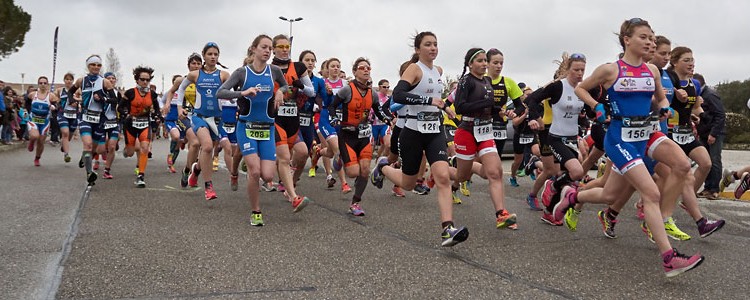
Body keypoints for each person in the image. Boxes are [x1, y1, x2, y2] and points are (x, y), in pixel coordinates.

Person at [555, 18, 703, 277]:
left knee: (681, 166)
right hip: (620, 139)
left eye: (652, 37)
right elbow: (581, 89)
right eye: (644, 37)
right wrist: (596, 105)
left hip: (646, 133)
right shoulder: (610, 70)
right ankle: (669, 258)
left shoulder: (652, 71)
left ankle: (660, 217)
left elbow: (659, 98)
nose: (650, 42)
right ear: (627, 39)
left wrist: (664, 107)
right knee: (636, 193)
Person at [371, 32, 469, 247]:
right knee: (407, 183)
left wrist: (446, 107)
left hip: (434, 131)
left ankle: (447, 228)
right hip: (413, 132)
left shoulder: (439, 71)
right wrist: (430, 100)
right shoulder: (414, 69)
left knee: (442, 177)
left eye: (435, 44)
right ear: (417, 49)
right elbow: (398, 95)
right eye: (428, 45)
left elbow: (436, 100)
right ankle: (383, 168)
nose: (433, 48)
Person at [216, 34, 292, 225]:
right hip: (246, 127)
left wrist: (281, 92)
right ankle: (256, 211)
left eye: (270, 48)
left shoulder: (274, 70)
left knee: (268, 176)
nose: (268, 51)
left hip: (267, 129)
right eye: (264, 47)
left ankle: (245, 167)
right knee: (256, 172)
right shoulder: (242, 73)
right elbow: (221, 92)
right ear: (254, 49)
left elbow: (285, 85)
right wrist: (242, 92)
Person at [452, 48, 517, 229]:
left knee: (495, 173)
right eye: (480, 61)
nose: (484, 64)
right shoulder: (466, 80)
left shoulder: (488, 80)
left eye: (484, 61)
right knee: (462, 175)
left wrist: (501, 110)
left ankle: (501, 214)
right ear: (470, 64)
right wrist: (486, 103)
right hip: (467, 130)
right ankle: (446, 170)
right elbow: (460, 107)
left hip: (485, 131)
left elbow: (490, 106)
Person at [328, 57, 391, 216]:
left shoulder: (373, 93)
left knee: (364, 171)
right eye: (362, 68)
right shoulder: (347, 89)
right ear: (355, 72)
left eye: (368, 68)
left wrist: (388, 119)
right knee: (353, 173)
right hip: (347, 135)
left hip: (364, 135)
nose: (366, 70)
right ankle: (340, 157)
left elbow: (378, 111)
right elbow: (332, 106)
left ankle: (355, 203)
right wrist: (334, 118)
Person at [174, 43, 231, 200]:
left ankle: (195, 171)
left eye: (215, 54)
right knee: (206, 147)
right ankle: (208, 186)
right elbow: (181, 88)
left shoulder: (224, 75)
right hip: (199, 117)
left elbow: (236, 89)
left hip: (217, 119)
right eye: (210, 54)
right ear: (204, 56)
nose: (213, 57)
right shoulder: (195, 75)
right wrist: (179, 108)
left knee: (209, 152)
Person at [66, 54, 116, 185]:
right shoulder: (81, 81)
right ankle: (89, 174)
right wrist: (71, 100)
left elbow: (115, 100)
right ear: (88, 66)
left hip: (99, 119)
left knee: (92, 149)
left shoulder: (105, 82)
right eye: (93, 64)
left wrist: (104, 99)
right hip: (85, 117)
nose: (96, 67)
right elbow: (70, 92)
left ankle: (85, 157)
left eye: (98, 65)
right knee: (87, 144)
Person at [163, 53, 203, 188]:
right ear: (188, 65)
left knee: (204, 147)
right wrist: (168, 104)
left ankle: (189, 169)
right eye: (194, 63)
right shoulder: (181, 80)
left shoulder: (205, 80)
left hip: (200, 117)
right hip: (184, 116)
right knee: (196, 143)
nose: (196, 66)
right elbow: (170, 92)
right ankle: (187, 172)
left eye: (198, 63)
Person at [120, 66, 162, 187]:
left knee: (145, 148)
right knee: (130, 153)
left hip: (144, 123)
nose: (145, 82)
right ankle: (126, 150)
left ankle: (141, 176)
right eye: (142, 79)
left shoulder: (152, 94)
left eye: (147, 80)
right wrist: (126, 114)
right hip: (130, 125)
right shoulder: (130, 92)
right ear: (137, 80)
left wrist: (157, 116)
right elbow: (120, 107)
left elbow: (157, 110)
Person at [693, 73, 726, 199]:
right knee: (705, 161)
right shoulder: (699, 95)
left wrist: (713, 133)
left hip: (714, 133)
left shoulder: (710, 95)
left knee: (714, 160)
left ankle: (714, 189)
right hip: (704, 133)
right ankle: (707, 187)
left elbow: (720, 115)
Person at [26, 76, 59, 166]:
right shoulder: (32, 94)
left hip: (44, 121)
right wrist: (28, 111)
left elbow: (57, 107)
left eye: (45, 83)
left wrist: (53, 107)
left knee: (41, 141)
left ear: (47, 84)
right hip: (33, 119)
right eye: (41, 83)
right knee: (34, 136)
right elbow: (27, 103)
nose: (43, 85)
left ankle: (37, 158)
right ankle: (31, 141)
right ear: (38, 84)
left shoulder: (51, 96)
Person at [99, 72, 121, 179]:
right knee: (101, 149)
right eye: (109, 78)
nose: (111, 80)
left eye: (113, 78)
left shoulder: (117, 93)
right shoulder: (99, 91)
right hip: (101, 122)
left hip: (113, 122)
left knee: (112, 146)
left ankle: (107, 170)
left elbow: (121, 106)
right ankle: (96, 158)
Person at [55, 73, 78, 162]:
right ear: (64, 80)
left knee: (69, 135)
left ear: (73, 81)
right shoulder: (59, 90)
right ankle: (66, 154)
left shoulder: (77, 90)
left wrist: (77, 101)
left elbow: (84, 99)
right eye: (67, 79)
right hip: (63, 114)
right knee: (65, 133)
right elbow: (54, 99)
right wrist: (57, 102)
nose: (68, 81)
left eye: (70, 79)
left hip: (74, 115)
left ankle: (63, 145)